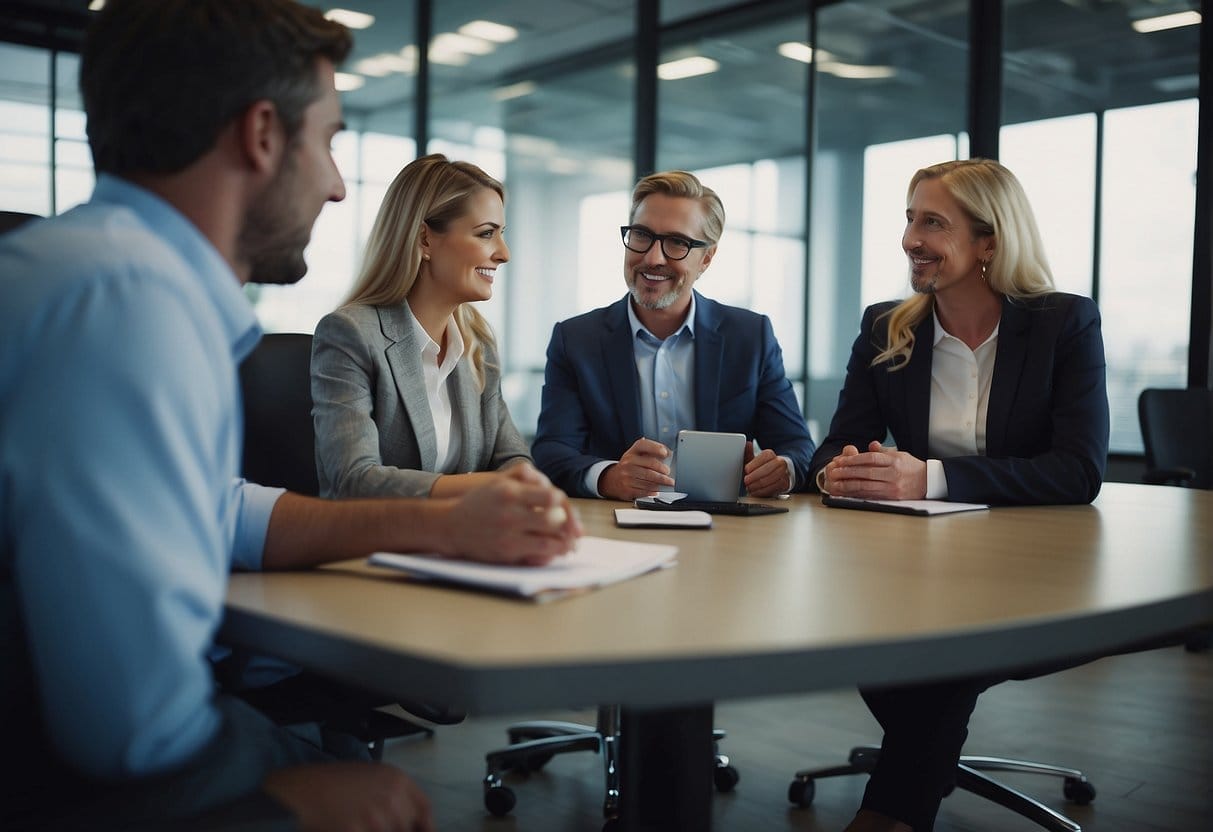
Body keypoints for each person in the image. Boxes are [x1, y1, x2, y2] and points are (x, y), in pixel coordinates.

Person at [0, 2, 579, 831]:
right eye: (332, 139)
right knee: (385, 800)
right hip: (74, 772)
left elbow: (223, 508)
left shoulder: (101, 271)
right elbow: (132, 732)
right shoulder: (127, 303)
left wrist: (442, 524)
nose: (339, 184)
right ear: (263, 135)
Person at [813, 158, 1109, 832]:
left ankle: (890, 813)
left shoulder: (1062, 324)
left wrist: (932, 478)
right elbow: (836, 447)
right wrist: (841, 472)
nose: (910, 239)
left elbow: (1076, 470)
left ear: (989, 242)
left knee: (937, 655)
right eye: (909, 219)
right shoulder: (886, 325)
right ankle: (921, 772)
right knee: (893, 639)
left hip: (1029, 567)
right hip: (909, 566)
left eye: (932, 223)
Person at [531, 169, 816, 500]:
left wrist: (782, 470)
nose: (653, 258)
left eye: (677, 243)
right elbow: (552, 452)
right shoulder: (576, 339)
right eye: (641, 235)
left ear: (706, 258)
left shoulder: (750, 337)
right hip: (617, 525)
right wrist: (609, 477)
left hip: (726, 530)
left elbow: (798, 447)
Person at [312, 154, 534, 499]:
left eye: (501, 234)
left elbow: (514, 458)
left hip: (465, 543)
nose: (503, 253)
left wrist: (514, 485)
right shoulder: (350, 334)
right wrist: (488, 486)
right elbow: (355, 480)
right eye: (486, 234)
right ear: (424, 240)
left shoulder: (478, 343)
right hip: (375, 546)